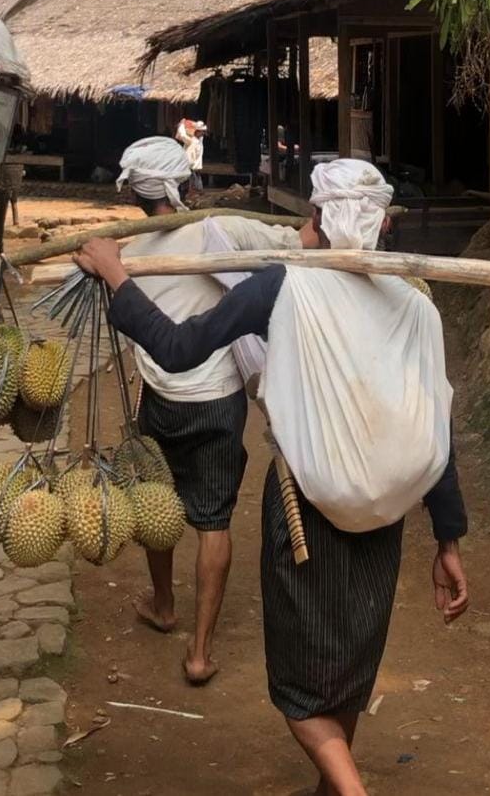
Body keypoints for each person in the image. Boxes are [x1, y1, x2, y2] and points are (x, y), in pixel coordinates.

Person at [77, 159, 469, 795]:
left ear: (315, 218)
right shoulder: (416, 306)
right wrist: (448, 541)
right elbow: (434, 425)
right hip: (386, 519)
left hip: (303, 511)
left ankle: (349, 790)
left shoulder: (283, 287)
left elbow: (177, 349)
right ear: (382, 224)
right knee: (351, 658)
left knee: (298, 692)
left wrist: (119, 275)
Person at [114, 136, 323, 685]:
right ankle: (200, 651)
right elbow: (301, 242)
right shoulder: (221, 231)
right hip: (215, 401)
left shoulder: (123, 254)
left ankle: (163, 605)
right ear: (187, 186)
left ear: (134, 194)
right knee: (214, 520)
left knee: (156, 501)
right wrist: (327, 217)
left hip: (159, 398)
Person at [176, 118, 207, 196]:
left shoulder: (200, 140)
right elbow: (182, 134)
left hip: (195, 166)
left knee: (195, 186)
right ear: (197, 131)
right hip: (189, 166)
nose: (203, 133)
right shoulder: (190, 140)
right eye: (202, 131)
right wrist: (182, 125)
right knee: (188, 186)